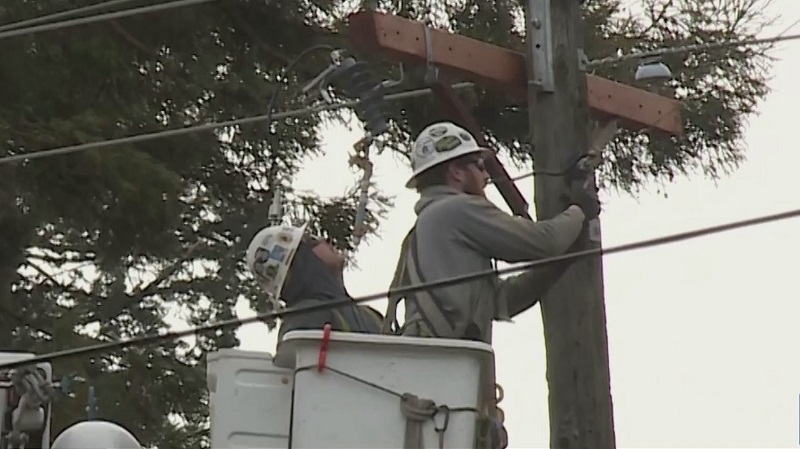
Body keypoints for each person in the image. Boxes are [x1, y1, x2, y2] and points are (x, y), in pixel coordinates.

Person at [384, 121, 601, 343]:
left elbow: (503, 301)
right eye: (479, 166)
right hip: (445, 359)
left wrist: (563, 259)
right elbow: (545, 241)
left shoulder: (427, 229)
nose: (486, 176)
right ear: (456, 172)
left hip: (436, 361)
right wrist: (579, 210)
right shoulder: (457, 210)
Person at [246, 223, 383, 340]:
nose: (325, 240)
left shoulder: (371, 315)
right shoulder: (304, 318)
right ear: (301, 260)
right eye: (313, 241)